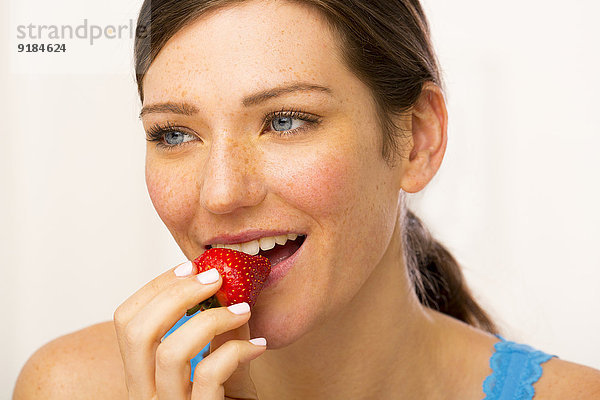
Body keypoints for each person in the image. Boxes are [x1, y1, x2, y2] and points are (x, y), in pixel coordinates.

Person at [13, 0, 600, 399]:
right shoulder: (71, 385)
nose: (221, 193)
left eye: (287, 120)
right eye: (174, 133)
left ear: (418, 139)